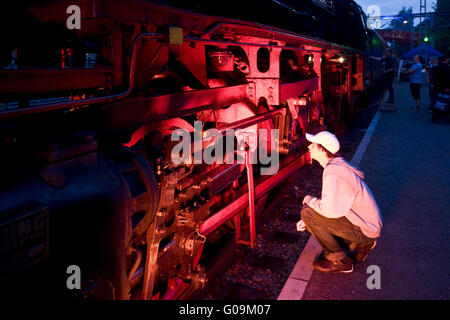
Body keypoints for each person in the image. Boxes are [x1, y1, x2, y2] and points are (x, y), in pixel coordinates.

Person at [296, 131, 383, 273]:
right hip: (368, 224)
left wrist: (308, 200)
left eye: (313, 145)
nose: (309, 147)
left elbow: (329, 211)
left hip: (366, 228)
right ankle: (361, 243)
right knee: (311, 213)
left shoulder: (333, 172)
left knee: (307, 212)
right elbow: (336, 206)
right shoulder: (337, 166)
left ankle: (341, 262)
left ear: (322, 149)